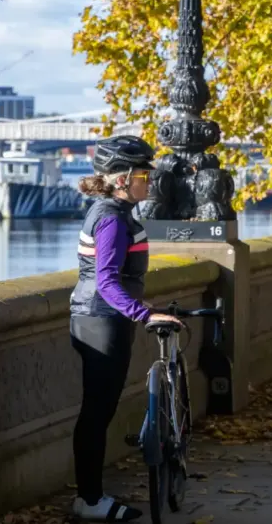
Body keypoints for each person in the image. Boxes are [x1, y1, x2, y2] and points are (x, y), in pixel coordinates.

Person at [68, 135, 178, 522]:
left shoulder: (115, 211)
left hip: (103, 318)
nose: (148, 182)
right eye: (143, 175)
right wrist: (144, 315)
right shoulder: (111, 218)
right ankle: (90, 500)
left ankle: (89, 496)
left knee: (99, 410)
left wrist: (143, 308)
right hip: (101, 322)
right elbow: (107, 281)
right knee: (97, 413)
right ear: (121, 179)